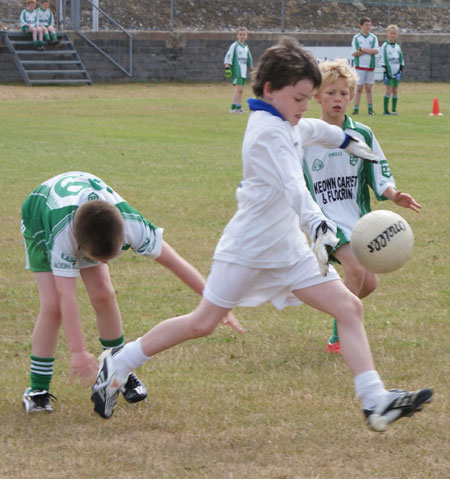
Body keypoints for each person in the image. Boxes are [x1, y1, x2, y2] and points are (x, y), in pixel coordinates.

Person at [91, 38, 432, 431]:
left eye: (309, 97)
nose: (306, 105)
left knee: (349, 307)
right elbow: (293, 185)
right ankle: (117, 364)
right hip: (248, 251)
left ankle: (375, 402)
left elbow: (313, 128)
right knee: (203, 323)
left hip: (288, 251)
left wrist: (348, 142)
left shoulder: (283, 120)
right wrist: (317, 225)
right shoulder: (267, 133)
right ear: (270, 90)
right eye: (300, 97)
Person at [20, 171, 241, 414]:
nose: (98, 263)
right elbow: (66, 297)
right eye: (95, 258)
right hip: (40, 217)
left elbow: (174, 263)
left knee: (104, 292)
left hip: (80, 219)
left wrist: (214, 302)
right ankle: (37, 390)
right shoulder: (63, 235)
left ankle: (117, 368)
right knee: (52, 305)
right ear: (77, 240)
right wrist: (77, 351)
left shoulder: (132, 224)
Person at [303, 58, 422, 354]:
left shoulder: (361, 135)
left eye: (344, 93)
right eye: (330, 93)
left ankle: (331, 302)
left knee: (369, 284)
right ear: (317, 97)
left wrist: (394, 195)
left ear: (352, 97)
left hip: (359, 220)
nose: (337, 99)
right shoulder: (305, 137)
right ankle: (338, 336)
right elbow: (291, 179)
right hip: (325, 220)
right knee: (356, 270)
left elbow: (378, 170)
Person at [351, 17, 379, 115]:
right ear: (361, 26)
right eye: (366, 25)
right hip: (360, 66)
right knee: (358, 88)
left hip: (370, 67)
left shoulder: (373, 38)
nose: (368, 27)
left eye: (369, 25)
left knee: (368, 88)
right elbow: (355, 53)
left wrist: (362, 49)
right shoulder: (357, 38)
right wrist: (368, 51)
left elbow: (375, 51)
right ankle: (356, 109)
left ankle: (370, 109)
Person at [224, 26, 254, 114]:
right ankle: (233, 108)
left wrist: (252, 69)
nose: (242, 36)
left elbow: (249, 59)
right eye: (240, 34)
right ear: (237, 36)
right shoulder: (235, 46)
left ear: (247, 36)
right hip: (237, 71)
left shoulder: (245, 47)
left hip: (243, 71)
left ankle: (238, 107)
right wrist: (227, 67)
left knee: (241, 90)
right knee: (238, 89)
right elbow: (228, 56)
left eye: (244, 34)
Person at [380, 25, 404, 115]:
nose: (392, 35)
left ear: (396, 34)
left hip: (396, 73)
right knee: (388, 90)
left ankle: (394, 110)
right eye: (391, 33)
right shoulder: (385, 46)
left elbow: (401, 60)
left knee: (395, 90)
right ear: (387, 34)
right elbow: (383, 60)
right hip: (389, 73)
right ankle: (386, 110)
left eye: (394, 33)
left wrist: (400, 71)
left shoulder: (397, 47)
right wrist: (386, 73)